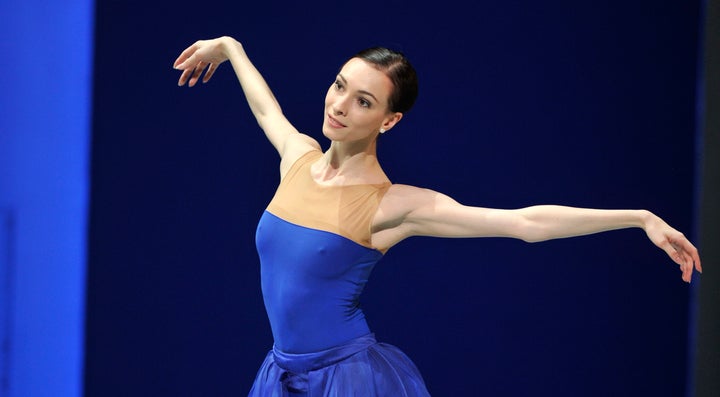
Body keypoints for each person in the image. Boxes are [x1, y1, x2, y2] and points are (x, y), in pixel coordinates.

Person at [173, 36, 702, 396]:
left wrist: (638, 216)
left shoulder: (395, 204)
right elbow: (268, 109)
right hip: (280, 373)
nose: (339, 105)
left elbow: (523, 223)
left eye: (363, 101)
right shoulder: (299, 158)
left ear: (389, 120)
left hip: (347, 380)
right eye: (339, 87)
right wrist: (232, 49)